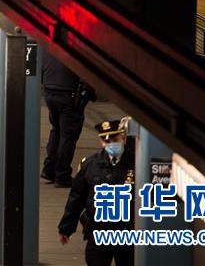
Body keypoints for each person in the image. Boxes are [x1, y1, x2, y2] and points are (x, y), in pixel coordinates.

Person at [58, 118, 135, 266]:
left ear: (123, 138)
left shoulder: (136, 163)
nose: (110, 144)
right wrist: (66, 228)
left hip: (127, 232)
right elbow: (77, 198)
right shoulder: (90, 164)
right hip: (98, 231)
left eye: (114, 139)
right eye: (106, 141)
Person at [42, 55, 95, 188]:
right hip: (68, 94)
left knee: (56, 131)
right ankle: (62, 175)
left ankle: (49, 170)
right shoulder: (76, 47)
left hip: (50, 91)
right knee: (68, 137)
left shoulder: (51, 44)